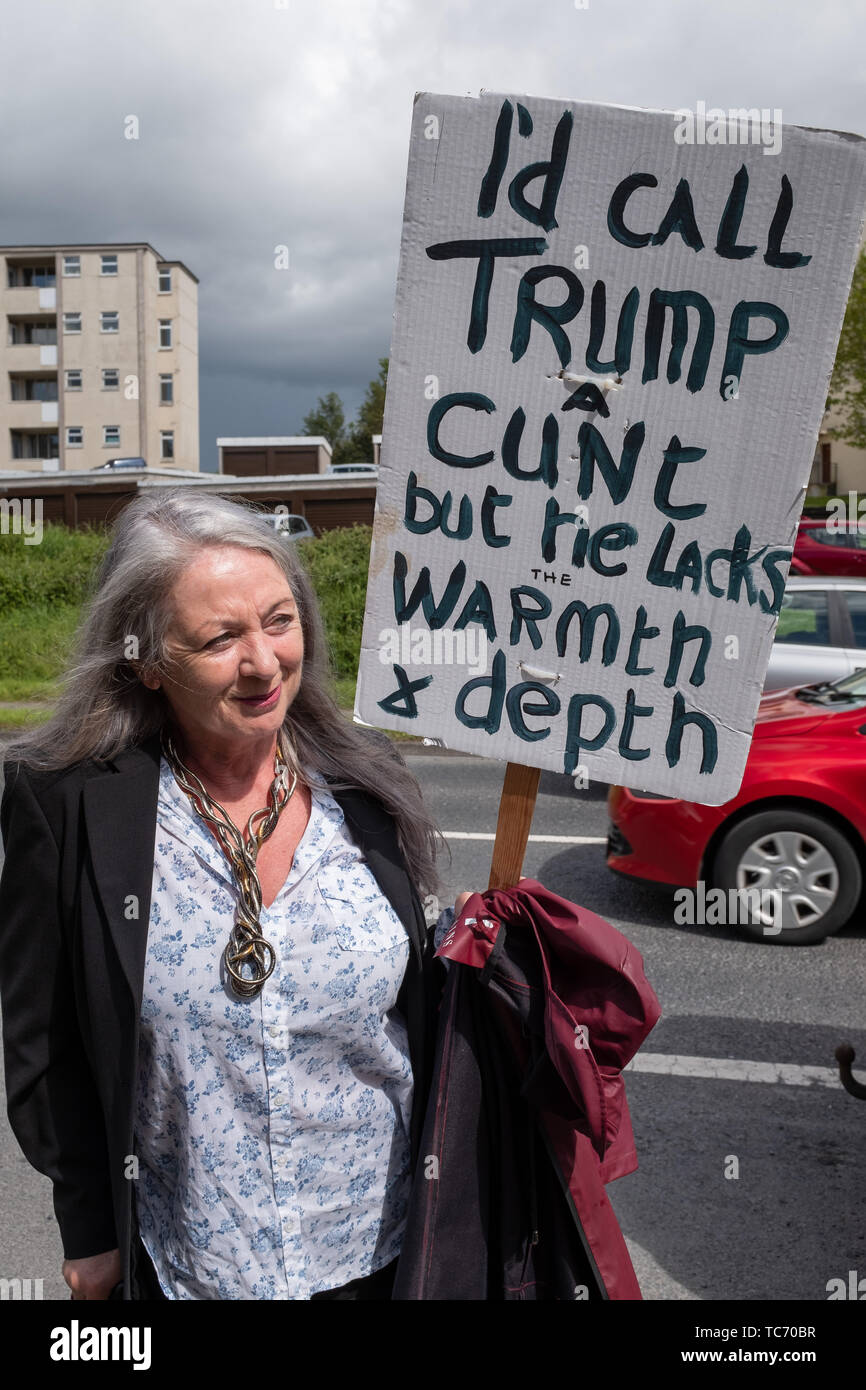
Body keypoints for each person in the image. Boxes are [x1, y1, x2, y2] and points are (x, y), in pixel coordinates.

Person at [0, 488, 465, 1301]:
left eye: (279, 621)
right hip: (194, 1269)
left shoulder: (367, 781)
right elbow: (44, 1044)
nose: (263, 662)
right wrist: (90, 1230)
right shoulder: (70, 802)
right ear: (146, 659)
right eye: (220, 638)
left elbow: (421, 1006)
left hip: (385, 1254)